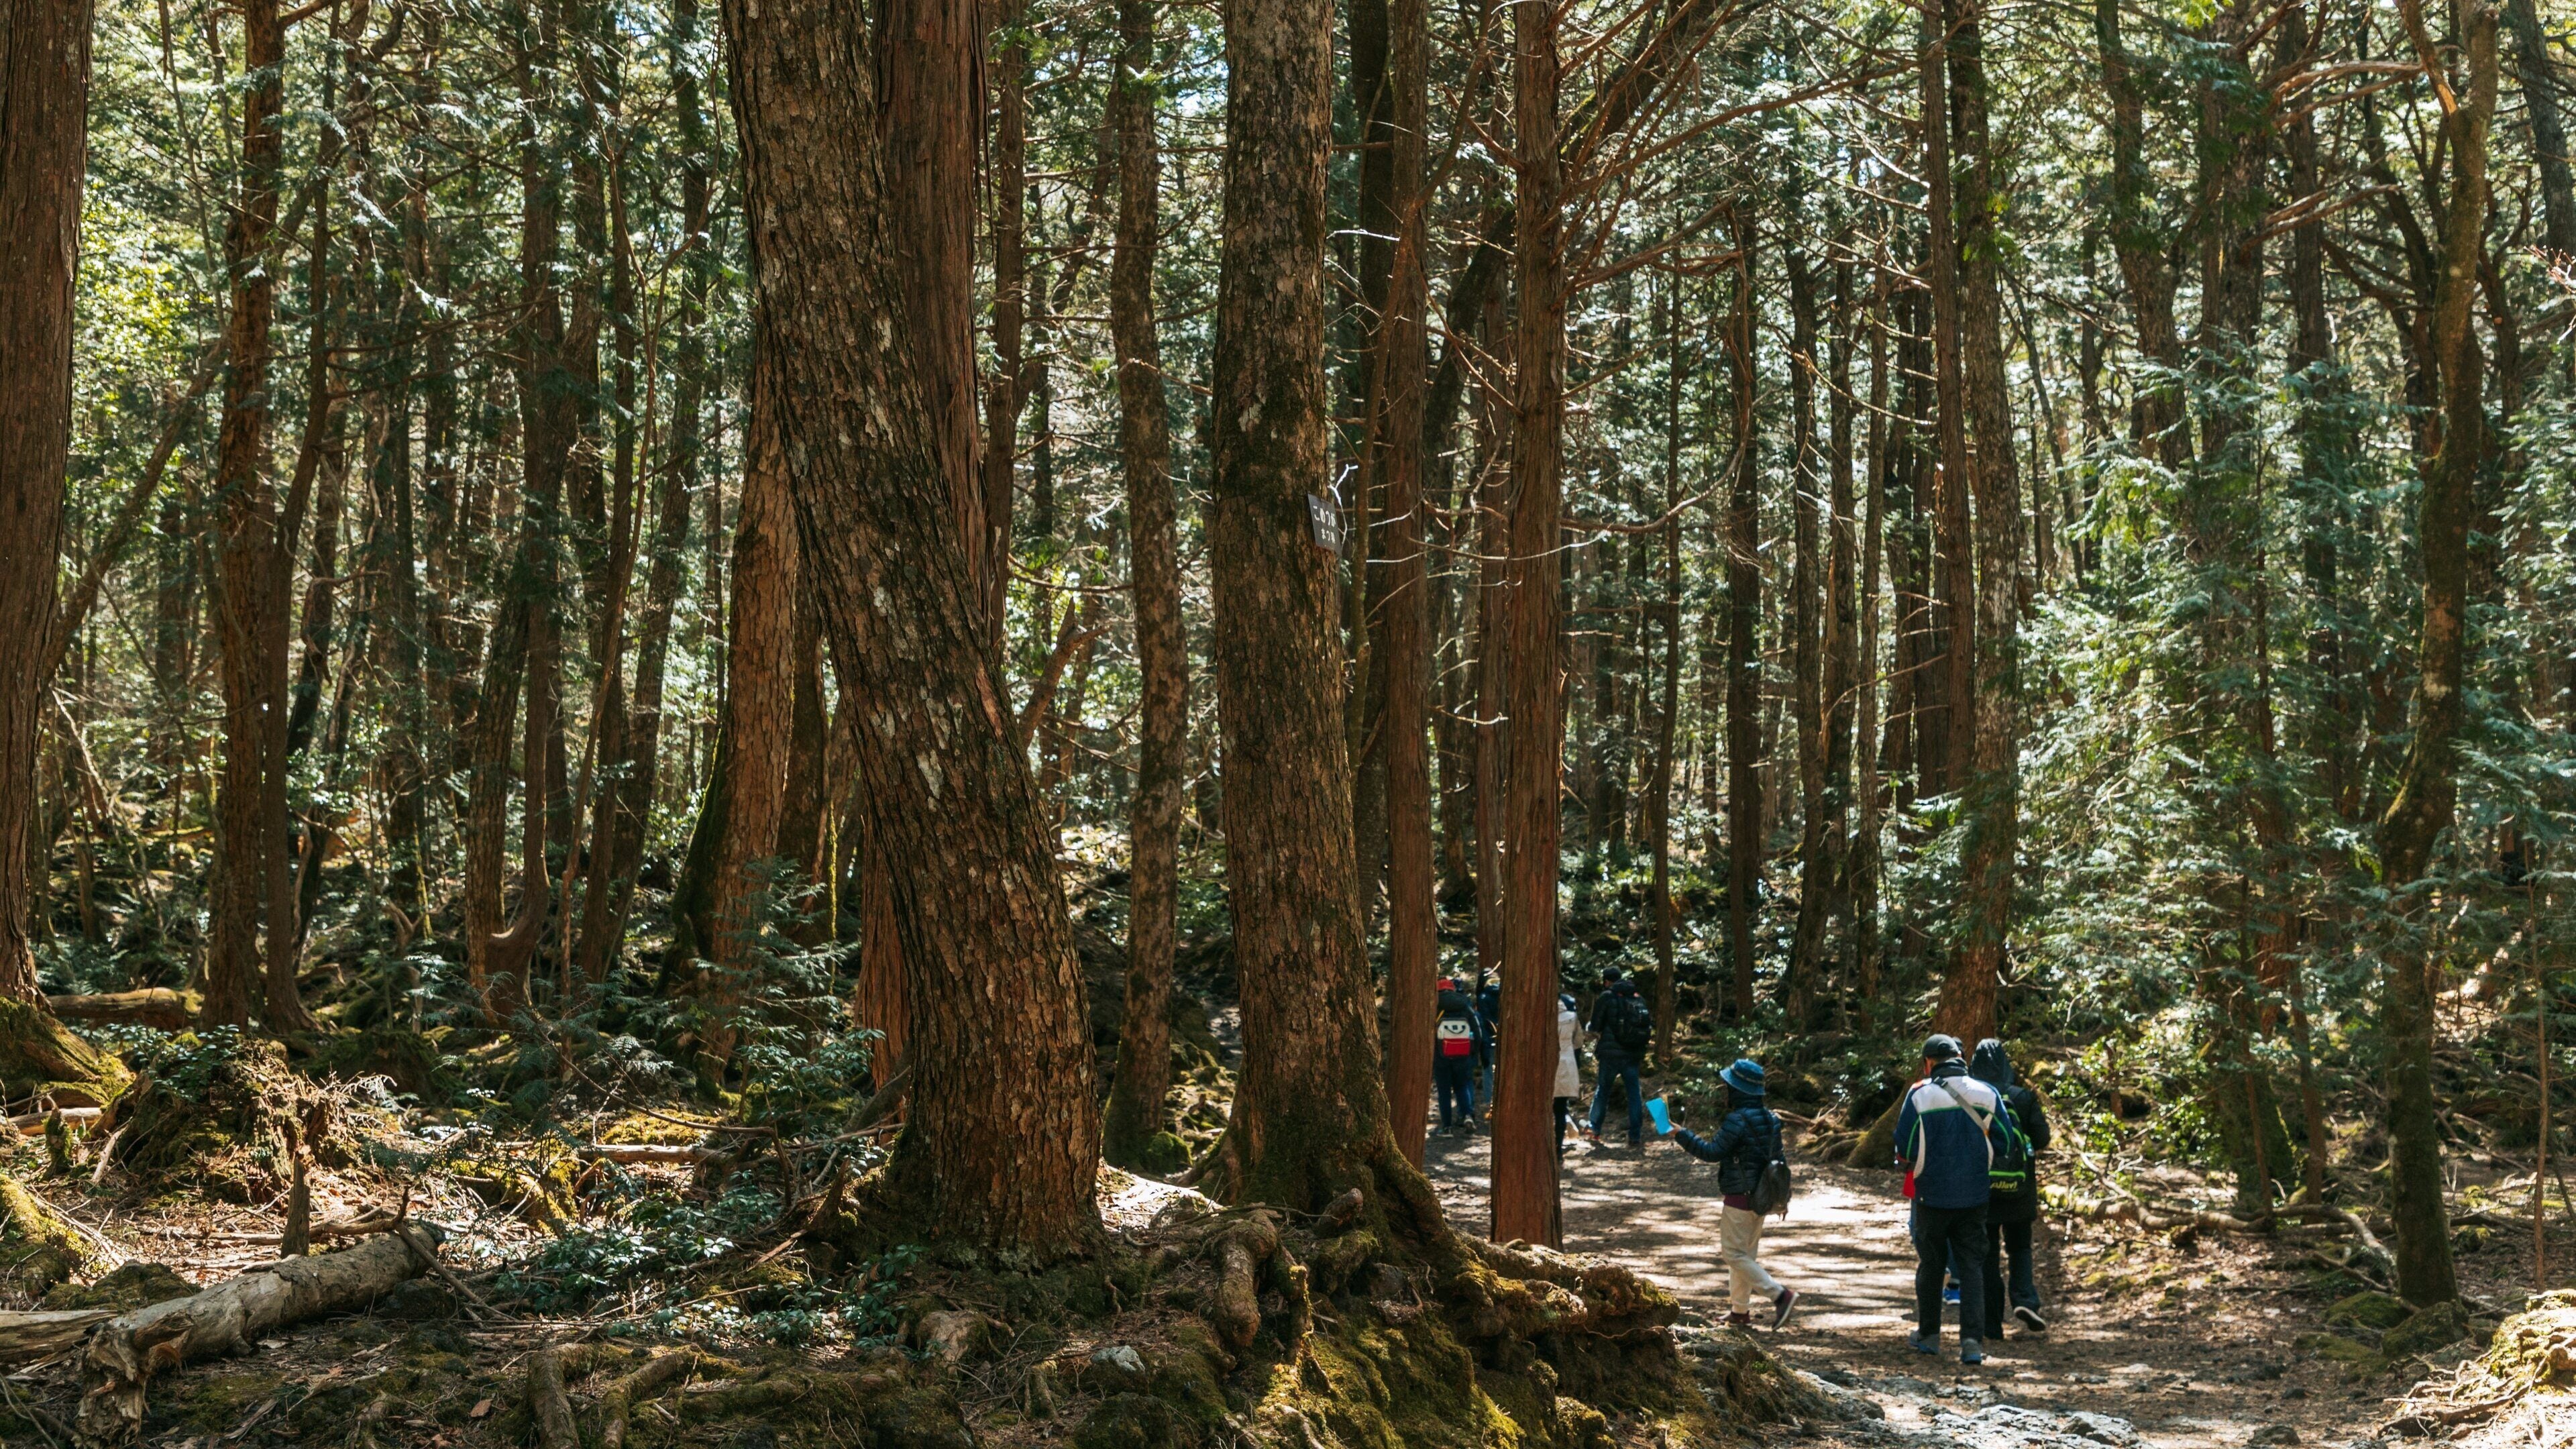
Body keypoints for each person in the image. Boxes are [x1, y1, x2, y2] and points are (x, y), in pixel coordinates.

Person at [1894, 1033, 2002, 1365]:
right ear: (1959, 1057)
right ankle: (1972, 1342)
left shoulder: (1920, 1097)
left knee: (1931, 1265)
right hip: (1975, 1196)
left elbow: (1905, 1148)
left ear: (1929, 1062)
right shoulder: (1988, 1093)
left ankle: (1929, 1336)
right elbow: (2006, 1140)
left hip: (1932, 1195)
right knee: (1972, 1266)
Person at [1668, 1059, 1800, 1330]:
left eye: (1728, 1086)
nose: (1724, 1090)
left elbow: (1711, 1152)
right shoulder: (1771, 1119)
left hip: (1740, 1199)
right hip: (1762, 1200)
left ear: (1737, 1091)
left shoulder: (1737, 1121)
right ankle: (1740, 1312)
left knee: (1733, 1255)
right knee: (1744, 1256)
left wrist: (1682, 1135)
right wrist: (1782, 1199)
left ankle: (1779, 1295)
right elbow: (1780, 1161)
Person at [1970, 1038, 2051, 1335]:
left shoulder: (1971, 1097)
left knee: (1987, 1255)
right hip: (2020, 1188)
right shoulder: (2023, 1096)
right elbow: (2042, 1139)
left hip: (1983, 1189)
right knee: (2019, 1247)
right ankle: (2025, 1299)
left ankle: (1991, 1323)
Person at [1585, 973, 1653, 1148]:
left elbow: (1596, 1025)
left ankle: (1595, 1130)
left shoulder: (1607, 997)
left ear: (1607, 982)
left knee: (1603, 1091)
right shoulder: (1638, 998)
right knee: (1634, 1094)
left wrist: (1590, 1029)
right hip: (1632, 1055)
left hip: (1610, 1055)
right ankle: (1635, 1137)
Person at [1433, 983, 1490, 1136]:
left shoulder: (1435, 1006)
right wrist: (1473, 1052)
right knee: (1462, 1087)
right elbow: (1477, 1031)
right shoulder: (1465, 1005)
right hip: (1463, 1055)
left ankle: (1447, 1128)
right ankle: (1467, 1116)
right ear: (1452, 989)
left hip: (1441, 1057)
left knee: (1444, 1092)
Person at [1554, 993, 1582, 1155]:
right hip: (1566, 1063)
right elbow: (1578, 1042)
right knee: (1560, 1108)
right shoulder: (1572, 1017)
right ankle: (1558, 1146)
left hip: (1545, 1066)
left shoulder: (1540, 1017)